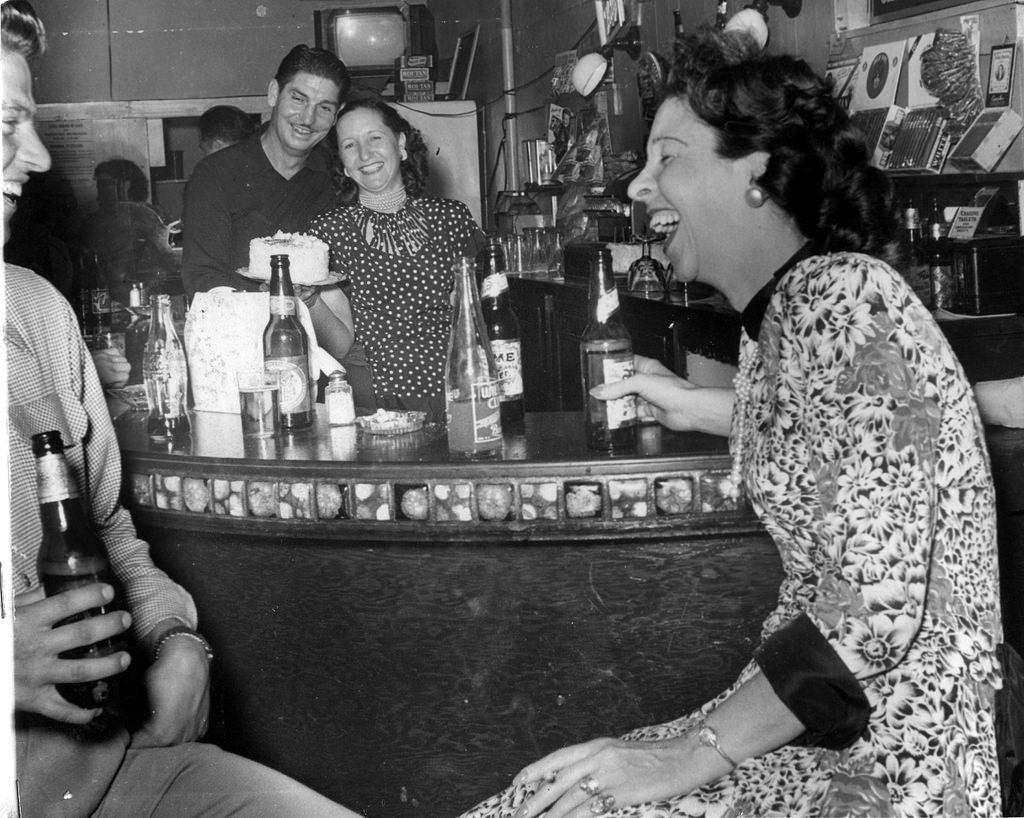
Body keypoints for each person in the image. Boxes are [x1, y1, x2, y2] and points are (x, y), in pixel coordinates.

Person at [458, 26, 1004, 818]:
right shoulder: (787, 313)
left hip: (897, 761)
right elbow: (826, 433)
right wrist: (686, 401)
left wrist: (686, 755)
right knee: (540, 797)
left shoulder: (847, 299)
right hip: (822, 728)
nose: (638, 187)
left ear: (756, 170)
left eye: (667, 158)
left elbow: (875, 607)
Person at [4, 4, 365, 815]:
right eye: (7, 123)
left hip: (108, 763)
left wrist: (176, 635)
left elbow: (110, 527)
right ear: (271, 97)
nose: (34, 153)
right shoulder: (219, 177)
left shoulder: (37, 315)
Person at [181, 44, 374, 406]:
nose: (308, 118)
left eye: (324, 108)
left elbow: (346, 299)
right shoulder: (217, 175)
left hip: (319, 378)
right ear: (273, 93)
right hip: (237, 371)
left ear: (335, 117)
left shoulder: (338, 183)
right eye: (298, 98)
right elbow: (203, 282)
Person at [306, 96, 482, 422]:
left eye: (375, 138)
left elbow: (475, 319)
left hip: (456, 390)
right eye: (349, 145)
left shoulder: (452, 219)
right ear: (343, 163)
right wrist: (310, 298)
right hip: (374, 400)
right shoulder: (328, 232)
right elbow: (341, 345)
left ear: (400, 144)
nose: (364, 154)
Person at [81, 158, 181, 305]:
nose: (99, 191)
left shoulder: (144, 215)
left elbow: (165, 263)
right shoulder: (93, 221)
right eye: (98, 185)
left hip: (138, 296)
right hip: (106, 298)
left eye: (105, 185)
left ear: (125, 185)